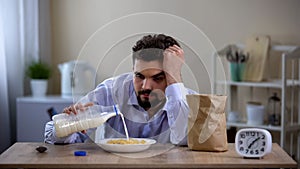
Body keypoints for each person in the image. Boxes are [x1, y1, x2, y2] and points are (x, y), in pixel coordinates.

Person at [44, 34, 197, 145]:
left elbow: (184, 139)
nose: (146, 87)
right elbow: (51, 135)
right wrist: (69, 126)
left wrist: (174, 79)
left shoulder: (188, 100)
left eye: (157, 78)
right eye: (139, 76)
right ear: (133, 70)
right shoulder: (112, 91)